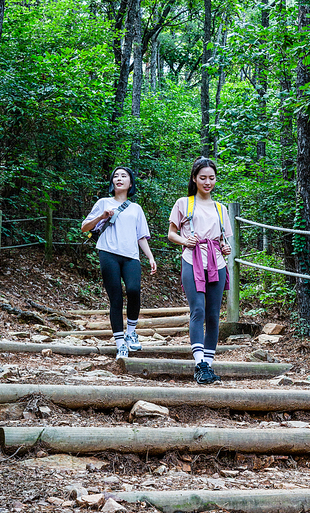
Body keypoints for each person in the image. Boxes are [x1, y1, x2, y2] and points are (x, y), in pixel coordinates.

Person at [168, 157, 232, 385]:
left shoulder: (220, 208)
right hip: (191, 259)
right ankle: (199, 364)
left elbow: (225, 240)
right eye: (203, 178)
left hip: (217, 262)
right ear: (194, 178)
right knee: (198, 310)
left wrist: (226, 247)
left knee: (214, 315)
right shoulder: (184, 203)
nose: (207, 182)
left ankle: (209, 365)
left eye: (211, 178)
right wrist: (185, 240)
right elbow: (171, 233)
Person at [81, 166, 157, 358]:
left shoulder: (136, 208)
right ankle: (120, 342)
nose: (119, 179)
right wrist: (101, 216)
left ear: (131, 183)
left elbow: (141, 236)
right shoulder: (103, 202)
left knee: (133, 290)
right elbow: (84, 227)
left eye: (124, 176)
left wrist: (150, 257)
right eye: (116, 176)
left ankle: (131, 332)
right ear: (112, 182)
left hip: (131, 256)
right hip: (108, 253)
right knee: (115, 298)